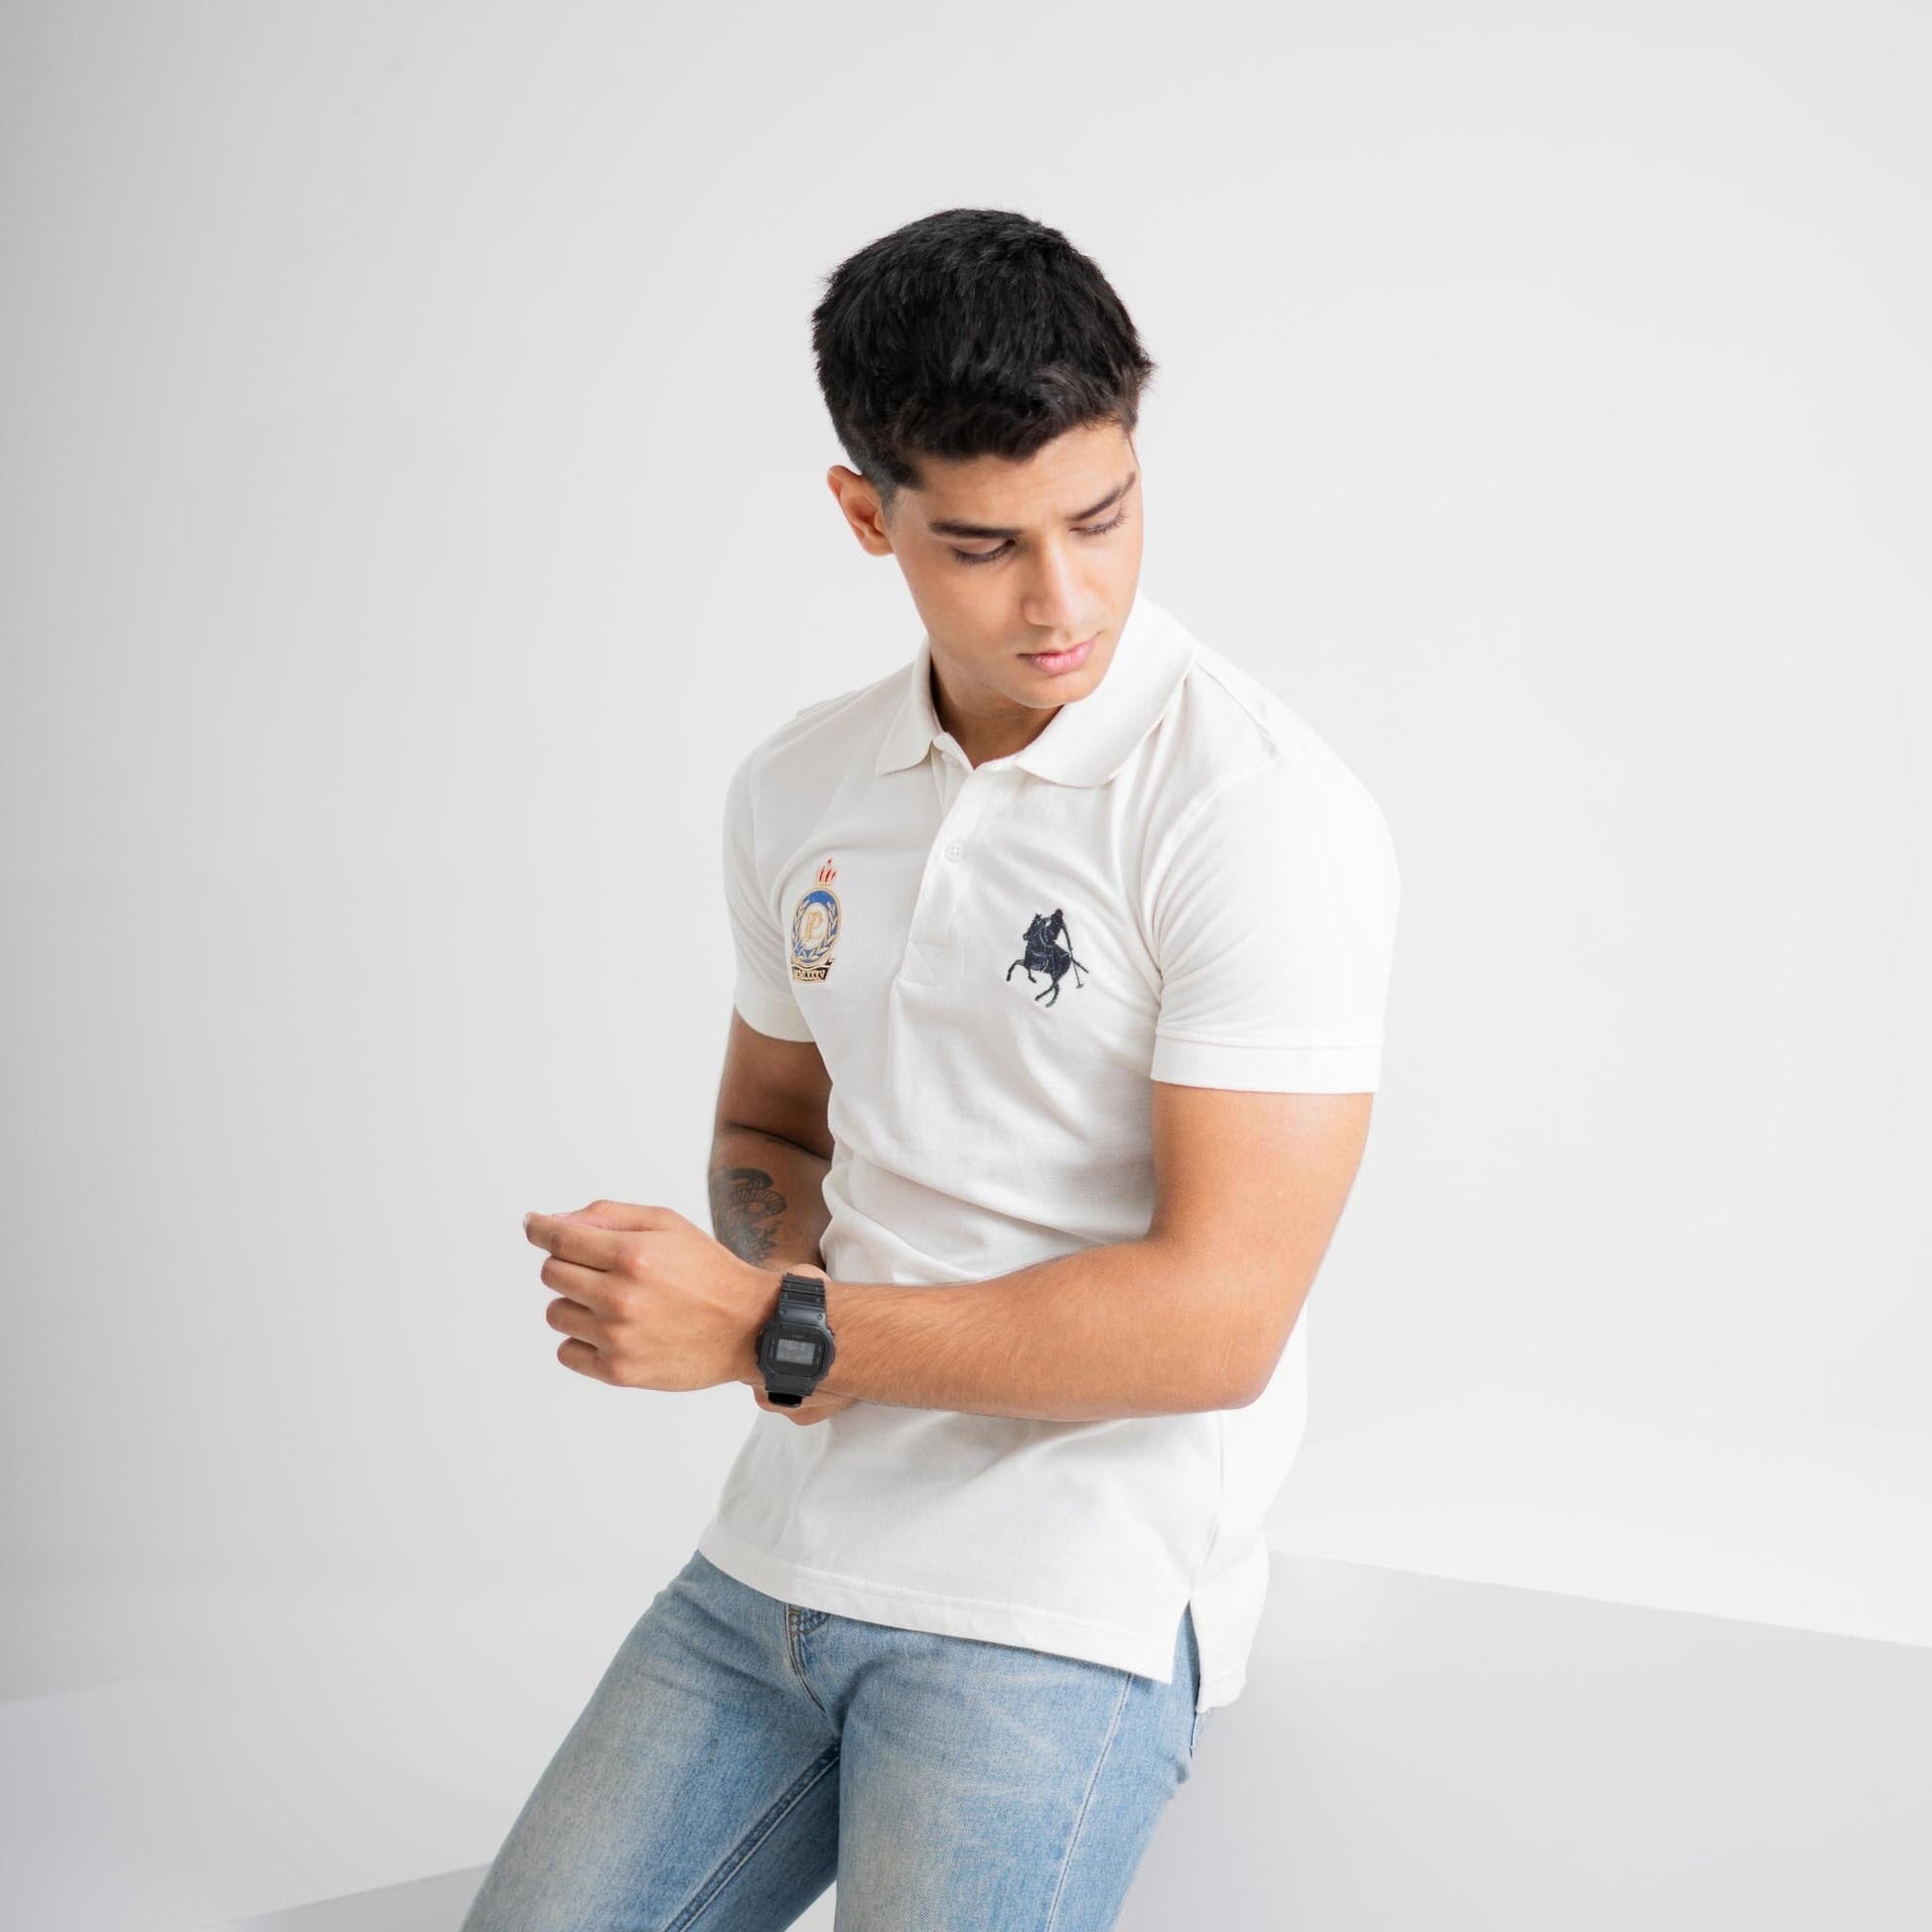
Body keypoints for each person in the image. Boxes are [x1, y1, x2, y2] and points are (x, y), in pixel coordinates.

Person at [464, 207, 1402, 1931]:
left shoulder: (1256, 812)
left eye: (1102, 516)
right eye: (982, 545)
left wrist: (774, 1329)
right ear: (863, 513)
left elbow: (1220, 1319)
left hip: (1062, 1601)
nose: (1064, 599)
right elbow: (769, 1123)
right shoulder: (800, 784)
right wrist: (769, 1274)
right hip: (774, 1560)